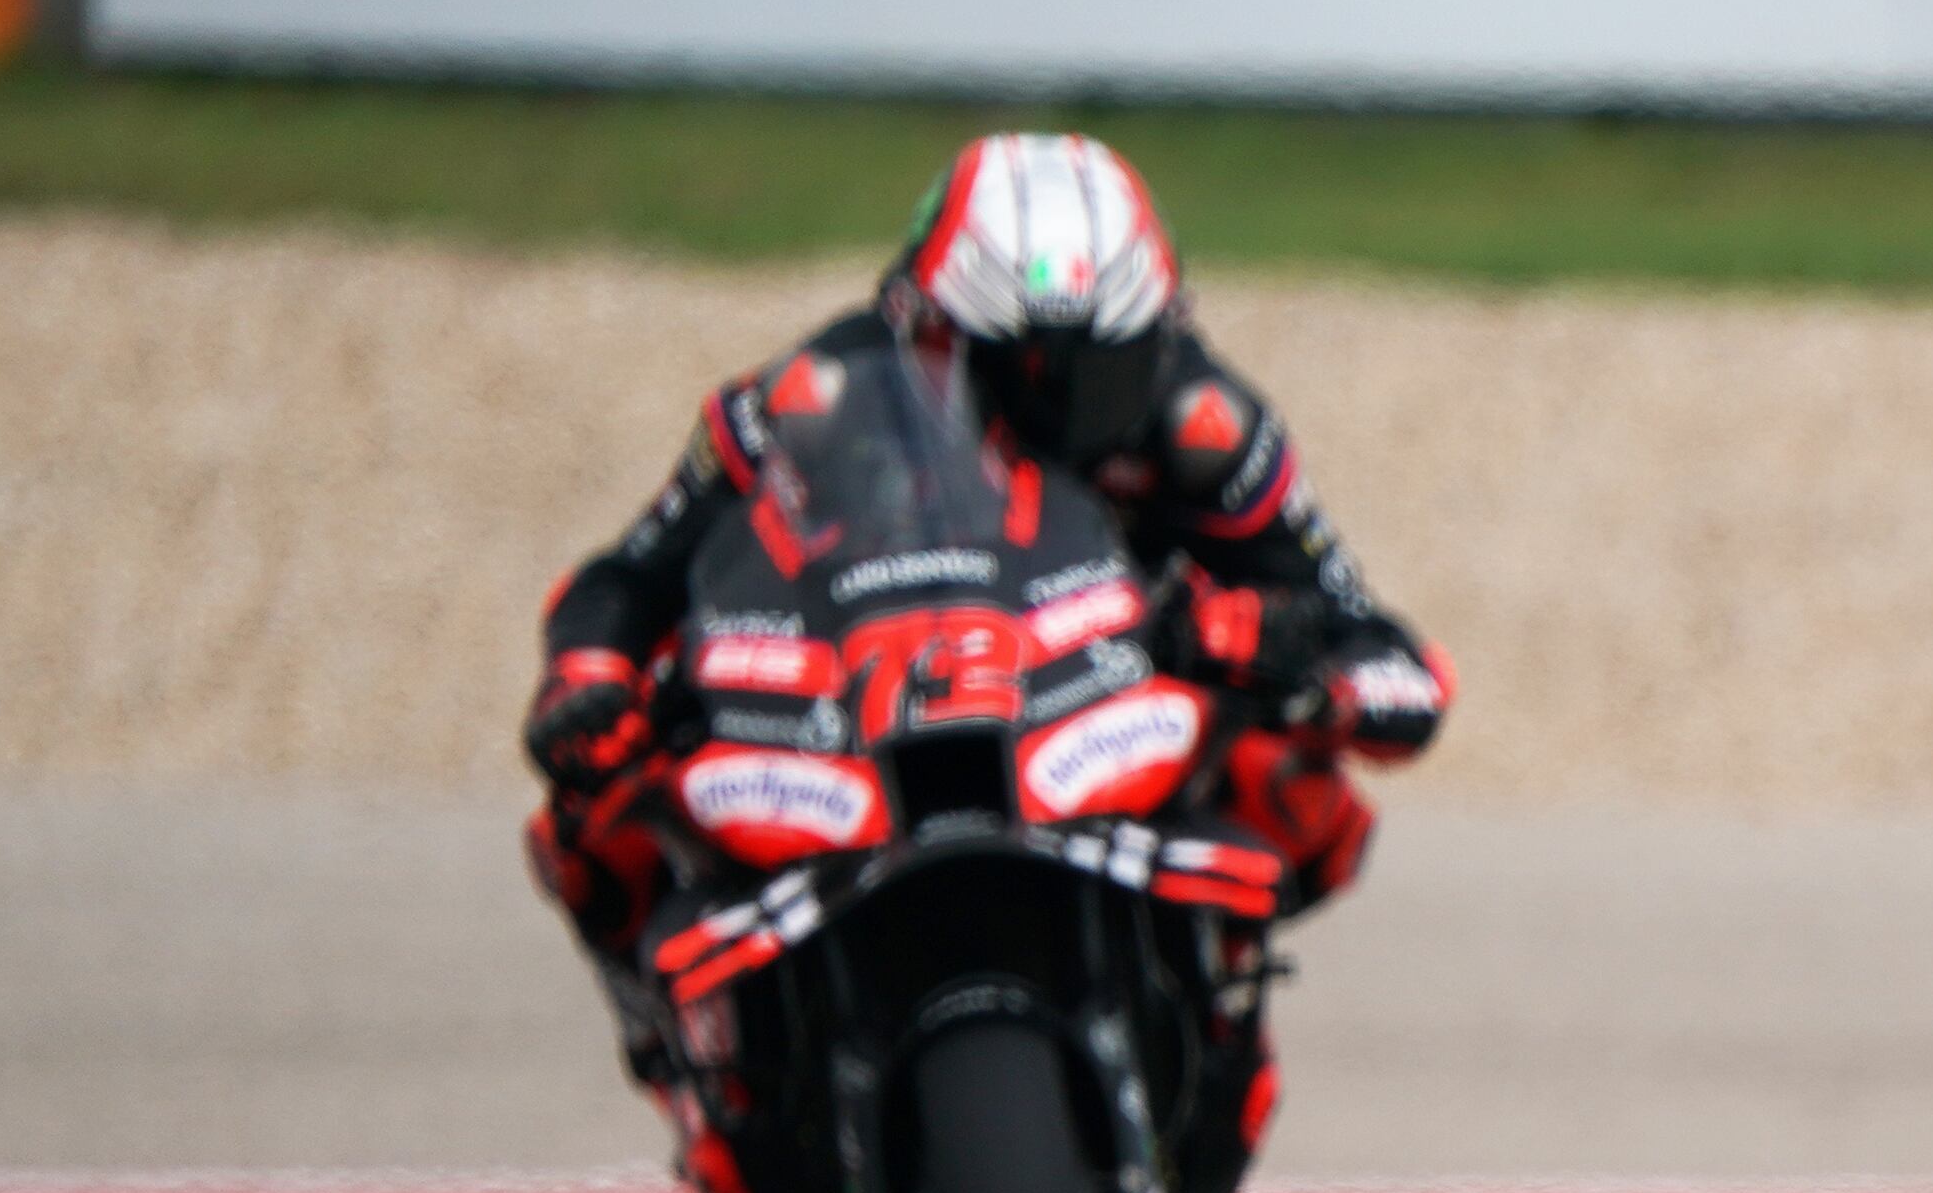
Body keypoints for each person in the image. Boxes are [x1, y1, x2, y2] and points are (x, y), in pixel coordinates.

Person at [519, 132, 1453, 1042]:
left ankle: (1205, 986)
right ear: (932, 332)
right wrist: (588, 678)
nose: (1074, 406)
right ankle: (670, 1028)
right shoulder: (814, 395)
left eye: (1111, 361)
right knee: (592, 800)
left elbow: (1360, 628)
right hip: (863, 704)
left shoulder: (1207, 424)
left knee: (1304, 790)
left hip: (1110, 712)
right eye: (1028, 374)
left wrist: (1298, 665)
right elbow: (636, 568)